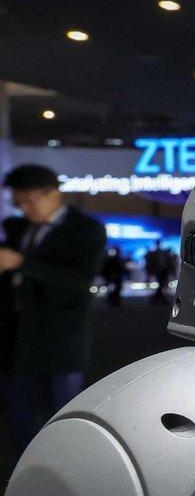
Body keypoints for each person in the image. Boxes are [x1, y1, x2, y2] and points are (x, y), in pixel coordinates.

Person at [0, 165, 107, 455]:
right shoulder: (17, 227)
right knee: (20, 412)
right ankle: (28, 466)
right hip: (17, 337)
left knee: (62, 412)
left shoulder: (86, 229)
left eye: (30, 200)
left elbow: (80, 280)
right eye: (18, 201)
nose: (24, 208)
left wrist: (21, 263)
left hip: (60, 336)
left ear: (54, 194)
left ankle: (65, 466)